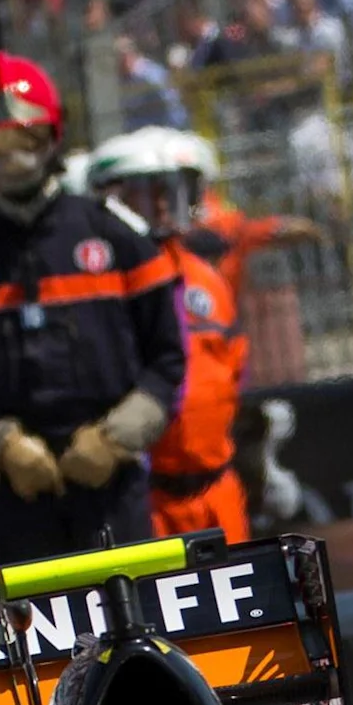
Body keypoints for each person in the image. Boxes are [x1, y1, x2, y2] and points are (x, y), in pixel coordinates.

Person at [0, 52, 186, 566]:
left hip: (114, 485)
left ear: (54, 136)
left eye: (28, 137)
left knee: (133, 637)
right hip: (19, 496)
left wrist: (116, 439)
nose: (15, 157)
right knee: (38, 643)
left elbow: (169, 359)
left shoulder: (116, 236)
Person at [81, 127, 324, 542]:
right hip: (143, 498)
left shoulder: (206, 281)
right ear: (112, 197)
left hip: (217, 492)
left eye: (173, 191)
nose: (162, 206)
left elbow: (231, 370)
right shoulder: (98, 289)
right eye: (147, 192)